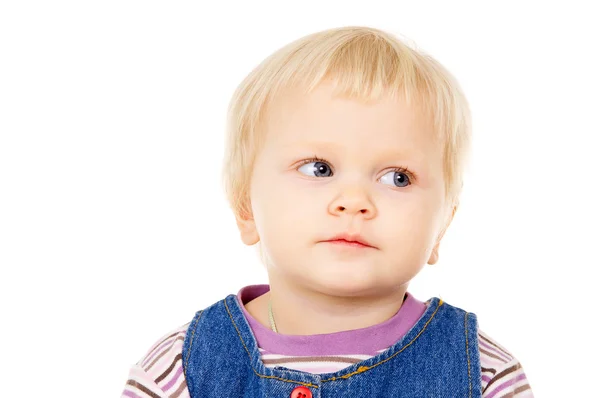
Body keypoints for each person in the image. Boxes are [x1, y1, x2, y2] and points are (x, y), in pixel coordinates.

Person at [121, 26, 533, 397]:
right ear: (246, 207)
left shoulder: (482, 374)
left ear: (442, 226)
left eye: (398, 178)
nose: (353, 200)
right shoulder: (180, 369)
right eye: (319, 168)